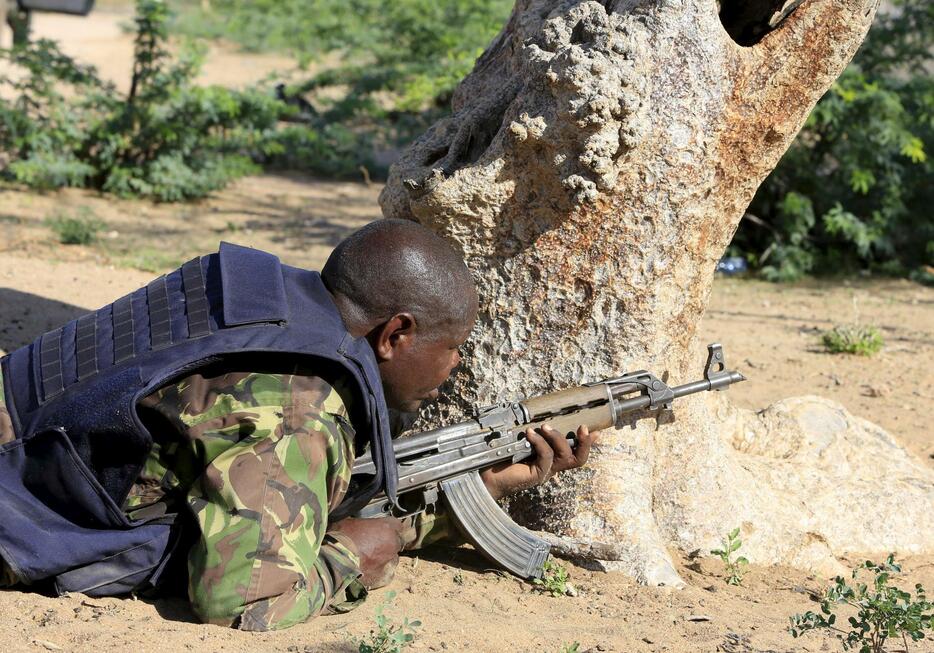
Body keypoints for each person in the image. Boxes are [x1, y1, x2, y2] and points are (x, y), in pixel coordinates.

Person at [0, 219, 594, 630]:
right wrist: (348, 557)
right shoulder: (297, 413)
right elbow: (240, 604)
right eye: (453, 347)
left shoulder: (272, 302)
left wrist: (479, 492)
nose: (457, 365)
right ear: (397, 334)